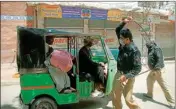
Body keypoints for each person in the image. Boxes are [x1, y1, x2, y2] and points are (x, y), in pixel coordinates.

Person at [111, 16, 142, 109]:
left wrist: (126, 76)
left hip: (128, 77)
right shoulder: (123, 43)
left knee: (128, 100)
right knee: (115, 97)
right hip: (119, 73)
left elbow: (137, 69)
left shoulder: (134, 51)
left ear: (127, 39)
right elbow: (117, 29)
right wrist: (124, 22)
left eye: (121, 38)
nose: (119, 40)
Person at [143, 41, 175, 108]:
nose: (147, 46)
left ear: (152, 44)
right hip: (153, 70)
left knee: (163, 85)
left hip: (157, 70)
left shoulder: (156, 49)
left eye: (148, 44)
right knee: (149, 80)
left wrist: (156, 69)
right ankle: (149, 94)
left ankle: (173, 103)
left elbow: (159, 59)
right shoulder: (151, 49)